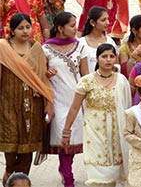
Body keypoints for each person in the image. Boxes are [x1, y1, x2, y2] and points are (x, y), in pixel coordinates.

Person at [62, 43, 131, 186]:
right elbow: (74, 108)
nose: (108, 60)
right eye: (104, 56)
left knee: (117, 170)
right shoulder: (86, 81)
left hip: (117, 130)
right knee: (98, 172)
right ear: (97, 58)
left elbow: (127, 108)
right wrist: (66, 131)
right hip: (94, 131)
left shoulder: (121, 80)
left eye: (112, 56)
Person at [0, 13, 54, 185]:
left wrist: (48, 103)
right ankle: (10, 169)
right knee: (10, 138)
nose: (25, 31)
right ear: (12, 30)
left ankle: (21, 182)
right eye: (20, 28)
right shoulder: (3, 47)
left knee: (29, 142)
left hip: (32, 102)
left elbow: (41, 79)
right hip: (7, 100)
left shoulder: (36, 48)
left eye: (28, 27)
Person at [43, 12, 89, 187]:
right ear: (60, 28)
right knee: (64, 140)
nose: (75, 28)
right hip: (57, 99)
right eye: (71, 25)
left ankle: (65, 170)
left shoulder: (80, 46)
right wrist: (46, 74)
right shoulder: (46, 49)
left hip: (77, 100)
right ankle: (68, 179)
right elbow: (40, 76)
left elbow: (85, 75)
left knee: (75, 139)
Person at [79, 6, 119, 72]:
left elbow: (116, 66)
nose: (107, 23)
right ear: (92, 22)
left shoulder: (110, 42)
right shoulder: (81, 43)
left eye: (107, 19)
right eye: (103, 20)